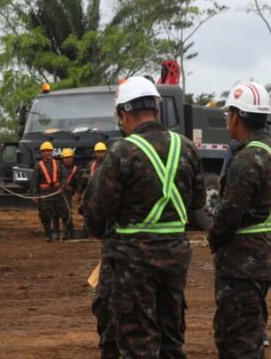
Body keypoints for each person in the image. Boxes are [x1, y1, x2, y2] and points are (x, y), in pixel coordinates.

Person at [85, 76, 205, 358]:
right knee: (171, 338)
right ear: (157, 109)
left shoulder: (122, 152)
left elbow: (97, 216)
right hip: (175, 256)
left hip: (132, 263)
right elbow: (198, 202)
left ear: (124, 113)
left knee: (138, 341)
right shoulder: (187, 148)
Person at [209, 82, 271, 358]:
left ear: (236, 116)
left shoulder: (245, 160)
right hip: (264, 252)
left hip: (242, 261)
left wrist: (213, 238)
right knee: (250, 331)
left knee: (237, 338)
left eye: (229, 113)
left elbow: (229, 214)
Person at [220, 131, 271, 344]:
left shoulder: (237, 145)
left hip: (252, 222)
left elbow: (226, 182)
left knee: (250, 274)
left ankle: (259, 329)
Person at [29, 141, 63, 242]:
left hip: (57, 193)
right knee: (45, 215)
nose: (48, 153)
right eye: (46, 151)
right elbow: (34, 181)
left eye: (50, 151)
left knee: (57, 214)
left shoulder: (58, 164)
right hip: (44, 195)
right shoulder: (38, 166)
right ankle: (48, 235)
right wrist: (34, 195)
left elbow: (64, 177)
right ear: (42, 153)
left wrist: (62, 187)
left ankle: (56, 232)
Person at [60, 148, 83, 240]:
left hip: (69, 193)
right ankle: (61, 231)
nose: (68, 159)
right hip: (60, 193)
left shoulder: (77, 169)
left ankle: (70, 232)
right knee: (60, 213)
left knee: (68, 213)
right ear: (63, 159)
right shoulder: (59, 168)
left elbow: (79, 183)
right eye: (66, 157)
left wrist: (77, 193)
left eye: (70, 157)